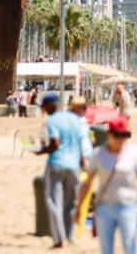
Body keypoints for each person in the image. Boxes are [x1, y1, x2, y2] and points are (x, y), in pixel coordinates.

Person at [80, 117, 137, 254]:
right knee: (106, 249)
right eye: (117, 135)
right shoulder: (98, 154)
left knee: (130, 246)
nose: (121, 139)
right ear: (109, 134)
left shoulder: (134, 154)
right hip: (104, 208)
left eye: (125, 135)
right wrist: (80, 207)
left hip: (128, 207)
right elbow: (87, 183)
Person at [37, 94, 92, 248]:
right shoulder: (74, 119)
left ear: (48, 106)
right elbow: (81, 143)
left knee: (54, 201)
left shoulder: (52, 120)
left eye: (44, 107)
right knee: (71, 203)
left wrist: (42, 151)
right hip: (74, 165)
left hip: (57, 164)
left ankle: (59, 238)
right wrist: (81, 162)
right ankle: (69, 235)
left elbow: (55, 143)